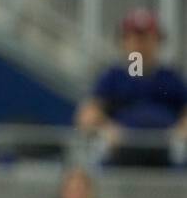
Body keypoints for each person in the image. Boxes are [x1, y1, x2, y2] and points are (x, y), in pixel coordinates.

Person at [75, 9, 187, 167]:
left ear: (157, 41)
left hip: (165, 154)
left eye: (145, 38)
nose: (139, 44)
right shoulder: (113, 77)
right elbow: (87, 117)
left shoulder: (170, 77)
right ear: (123, 41)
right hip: (122, 154)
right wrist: (107, 129)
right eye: (132, 37)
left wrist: (180, 132)